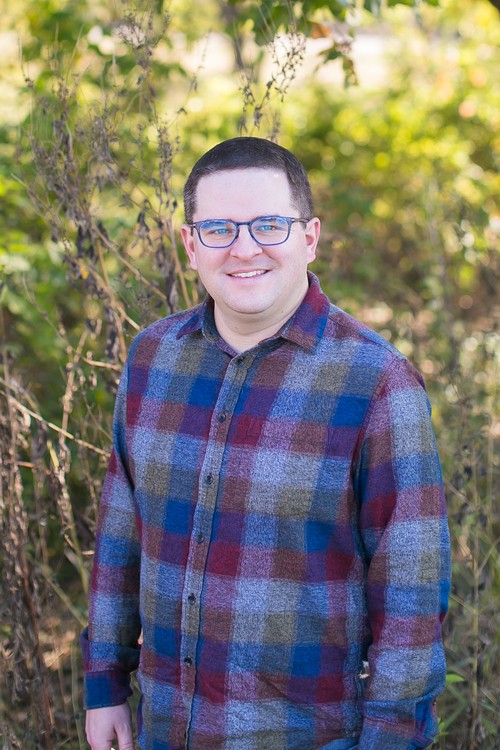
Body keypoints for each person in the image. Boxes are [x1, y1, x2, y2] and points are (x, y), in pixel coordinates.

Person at [82, 136, 451, 750]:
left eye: (269, 225)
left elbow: (410, 593)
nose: (244, 248)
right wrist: (105, 683)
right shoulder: (152, 359)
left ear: (309, 238)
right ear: (191, 244)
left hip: (305, 735)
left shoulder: (376, 382)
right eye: (219, 228)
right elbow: (122, 531)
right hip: (164, 728)